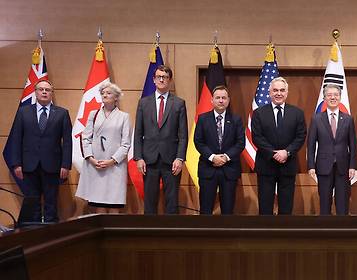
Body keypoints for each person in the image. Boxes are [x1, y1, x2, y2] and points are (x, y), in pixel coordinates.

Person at [7, 79, 72, 223]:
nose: (44, 92)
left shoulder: (62, 113)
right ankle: (33, 234)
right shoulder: (23, 112)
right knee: (32, 202)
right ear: (35, 92)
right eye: (41, 89)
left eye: (47, 90)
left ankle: (50, 236)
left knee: (51, 203)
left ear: (51, 93)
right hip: (29, 165)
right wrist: (16, 164)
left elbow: (67, 142)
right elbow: (16, 139)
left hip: (53, 165)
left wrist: (66, 165)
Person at [133, 65, 188, 215]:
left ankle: (172, 235)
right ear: (154, 80)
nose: (162, 79)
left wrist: (180, 158)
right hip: (149, 160)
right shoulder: (143, 103)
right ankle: (149, 235)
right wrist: (138, 157)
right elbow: (138, 133)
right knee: (150, 201)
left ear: (170, 80)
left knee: (171, 202)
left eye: (165, 77)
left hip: (172, 161)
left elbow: (183, 135)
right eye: (159, 77)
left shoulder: (179, 103)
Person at [251, 77, 307, 215]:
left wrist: (286, 152)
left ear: (287, 93)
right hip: (266, 165)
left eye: (282, 90)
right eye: (275, 90)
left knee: (286, 207)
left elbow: (301, 136)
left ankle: (285, 236)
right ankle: (264, 235)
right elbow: (257, 137)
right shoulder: (259, 113)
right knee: (265, 207)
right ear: (269, 93)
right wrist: (273, 153)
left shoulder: (297, 113)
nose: (278, 93)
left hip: (288, 165)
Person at [76, 82, 132, 214]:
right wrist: (91, 159)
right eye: (103, 93)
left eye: (108, 93)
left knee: (114, 204)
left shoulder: (124, 117)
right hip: (96, 165)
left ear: (116, 97)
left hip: (115, 166)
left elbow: (126, 144)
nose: (105, 95)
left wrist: (112, 161)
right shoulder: (93, 114)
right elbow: (85, 138)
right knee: (98, 203)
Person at [193, 85, 245, 215]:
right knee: (205, 210)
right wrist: (212, 157)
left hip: (229, 170)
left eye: (223, 98)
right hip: (208, 169)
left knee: (228, 211)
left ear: (228, 100)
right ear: (212, 100)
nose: (221, 100)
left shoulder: (236, 119)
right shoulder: (203, 119)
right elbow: (198, 141)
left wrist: (225, 157)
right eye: (218, 98)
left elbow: (240, 143)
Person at [307, 84, 357, 215]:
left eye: (335, 95)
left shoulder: (348, 119)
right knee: (324, 203)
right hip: (323, 166)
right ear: (324, 98)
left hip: (343, 167)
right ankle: (324, 233)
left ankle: (342, 232)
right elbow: (311, 144)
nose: (333, 97)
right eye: (329, 95)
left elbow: (352, 145)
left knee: (342, 204)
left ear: (340, 97)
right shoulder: (316, 119)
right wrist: (311, 166)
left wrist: (352, 166)